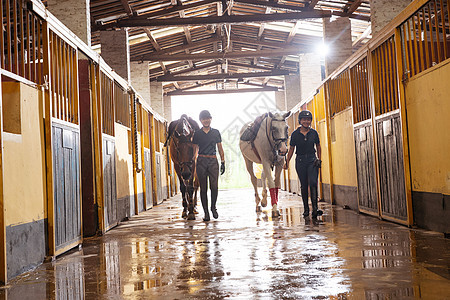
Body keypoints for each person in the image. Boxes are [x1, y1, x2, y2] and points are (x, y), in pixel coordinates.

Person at [284, 110, 323, 219]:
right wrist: (287, 162)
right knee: (304, 185)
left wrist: (319, 159)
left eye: (308, 119)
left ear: (310, 121)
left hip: (312, 160)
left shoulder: (314, 133)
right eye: (304, 119)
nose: (306, 121)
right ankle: (306, 209)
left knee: (313, 183)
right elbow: (291, 149)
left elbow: (318, 146)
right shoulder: (295, 134)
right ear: (300, 121)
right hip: (300, 161)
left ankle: (315, 209)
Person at [193, 110, 226, 221]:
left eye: (208, 118)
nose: (206, 120)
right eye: (203, 119)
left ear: (211, 119)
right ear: (201, 120)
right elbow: (195, 149)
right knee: (203, 189)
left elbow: (220, 148)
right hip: (201, 161)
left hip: (213, 161)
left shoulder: (216, 132)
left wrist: (223, 162)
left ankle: (213, 207)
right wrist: (194, 162)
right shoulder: (197, 134)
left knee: (214, 187)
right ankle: (206, 213)